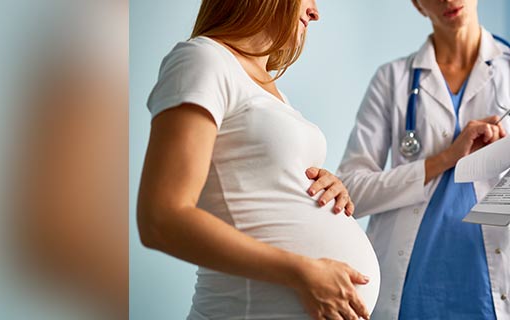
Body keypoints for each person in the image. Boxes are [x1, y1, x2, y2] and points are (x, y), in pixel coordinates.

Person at [336, 0, 510, 318]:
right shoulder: (392, 80)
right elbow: (351, 193)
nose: (448, 0)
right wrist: (447, 157)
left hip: (498, 285)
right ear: (418, 4)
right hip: (410, 287)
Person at [136, 0, 380, 319]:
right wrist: (301, 271)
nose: (315, 12)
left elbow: (258, 185)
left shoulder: (271, 90)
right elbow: (161, 219)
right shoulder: (203, 59)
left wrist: (325, 188)